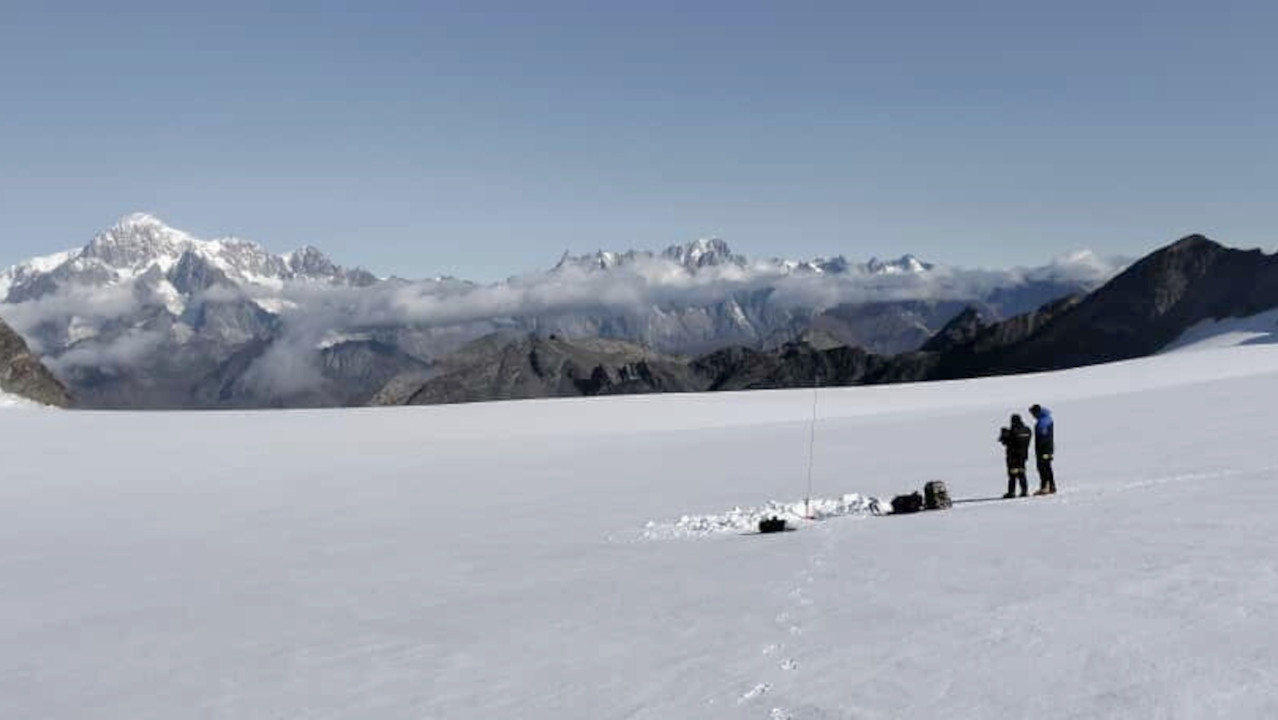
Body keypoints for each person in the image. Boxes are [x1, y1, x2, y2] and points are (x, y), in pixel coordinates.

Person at [998, 414, 1032, 499]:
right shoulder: (1027, 430)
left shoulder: (1013, 431)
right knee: (1022, 473)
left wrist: (1004, 435)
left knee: (1012, 475)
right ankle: (1024, 491)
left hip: (1013, 456)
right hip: (1023, 455)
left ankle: (1011, 492)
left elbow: (1006, 442)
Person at [1029, 404, 1056, 495]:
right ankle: (1051, 486)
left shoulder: (1042, 422)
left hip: (1044, 449)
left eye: (1033, 413)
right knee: (1047, 467)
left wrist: (1040, 449)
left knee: (1043, 468)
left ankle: (1045, 487)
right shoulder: (1046, 419)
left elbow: (1043, 437)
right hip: (1048, 448)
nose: (1032, 416)